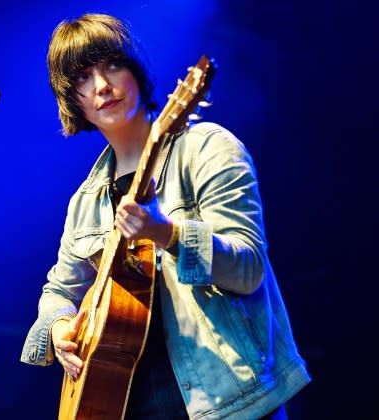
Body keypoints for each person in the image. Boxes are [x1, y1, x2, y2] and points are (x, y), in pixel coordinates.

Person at [21, 13, 310, 419]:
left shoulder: (206, 148)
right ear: (74, 101)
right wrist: (58, 327)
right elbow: (57, 292)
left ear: (136, 70)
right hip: (121, 404)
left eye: (112, 65)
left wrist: (167, 232)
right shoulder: (85, 201)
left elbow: (248, 269)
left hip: (229, 403)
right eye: (83, 77)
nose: (102, 86)